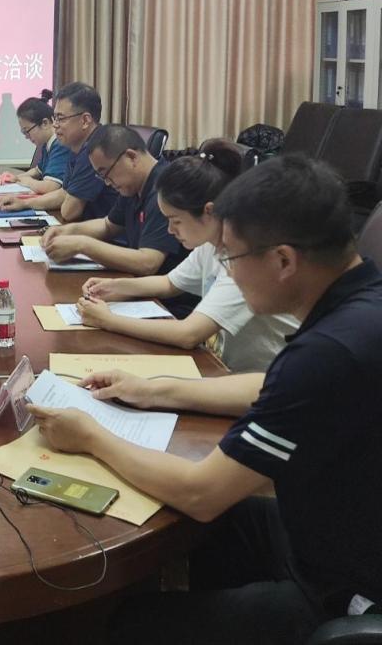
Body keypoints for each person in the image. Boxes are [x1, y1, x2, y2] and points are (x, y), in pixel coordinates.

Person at [28, 156, 382, 644]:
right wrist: (150, 389)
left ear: (283, 260)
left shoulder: (327, 354)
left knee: (128, 623)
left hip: (348, 589)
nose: (227, 274)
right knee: (211, 531)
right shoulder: (361, 302)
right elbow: (269, 386)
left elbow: (201, 492)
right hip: (331, 529)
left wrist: (91, 436)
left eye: (231, 259)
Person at [74, 140, 299, 374]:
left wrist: (107, 320)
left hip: (260, 381)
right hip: (221, 367)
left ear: (209, 211)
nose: (170, 230)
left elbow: (188, 334)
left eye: (176, 221)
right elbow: (170, 283)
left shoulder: (244, 260)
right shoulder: (211, 243)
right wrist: (114, 286)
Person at [42, 125, 190, 291]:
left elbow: (148, 263)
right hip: (136, 286)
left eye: (106, 173)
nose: (106, 182)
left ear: (131, 157)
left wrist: (82, 245)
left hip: (165, 298)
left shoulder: (165, 189)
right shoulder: (133, 186)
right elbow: (108, 225)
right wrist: (67, 231)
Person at [0, 81, 117, 221]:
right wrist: (24, 203)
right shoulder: (77, 147)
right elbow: (63, 193)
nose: (55, 125)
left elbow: (68, 211)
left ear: (85, 120)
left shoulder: (95, 150)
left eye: (61, 118)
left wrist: (24, 185)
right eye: (55, 118)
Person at [0, 90, 71, 195]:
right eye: (23, 133)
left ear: (45, 123)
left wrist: (24, 181)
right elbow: (38, 171)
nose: (26, 137)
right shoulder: (47, 143)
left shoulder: (60, 144)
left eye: (27, 131)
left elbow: (49, 187)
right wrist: (15, 177)